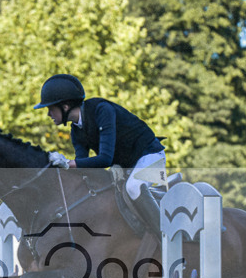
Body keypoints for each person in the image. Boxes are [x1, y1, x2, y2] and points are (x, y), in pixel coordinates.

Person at [34, 73, 166, 238]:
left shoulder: (102, 110)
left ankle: (166, 237)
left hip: (151, 155)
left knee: (133, 187)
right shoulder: (76, 130)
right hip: (128, 165)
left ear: (65, 106)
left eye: (50, 108)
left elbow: (105, 159)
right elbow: (82, 166)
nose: (49, 114)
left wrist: (68, 163)